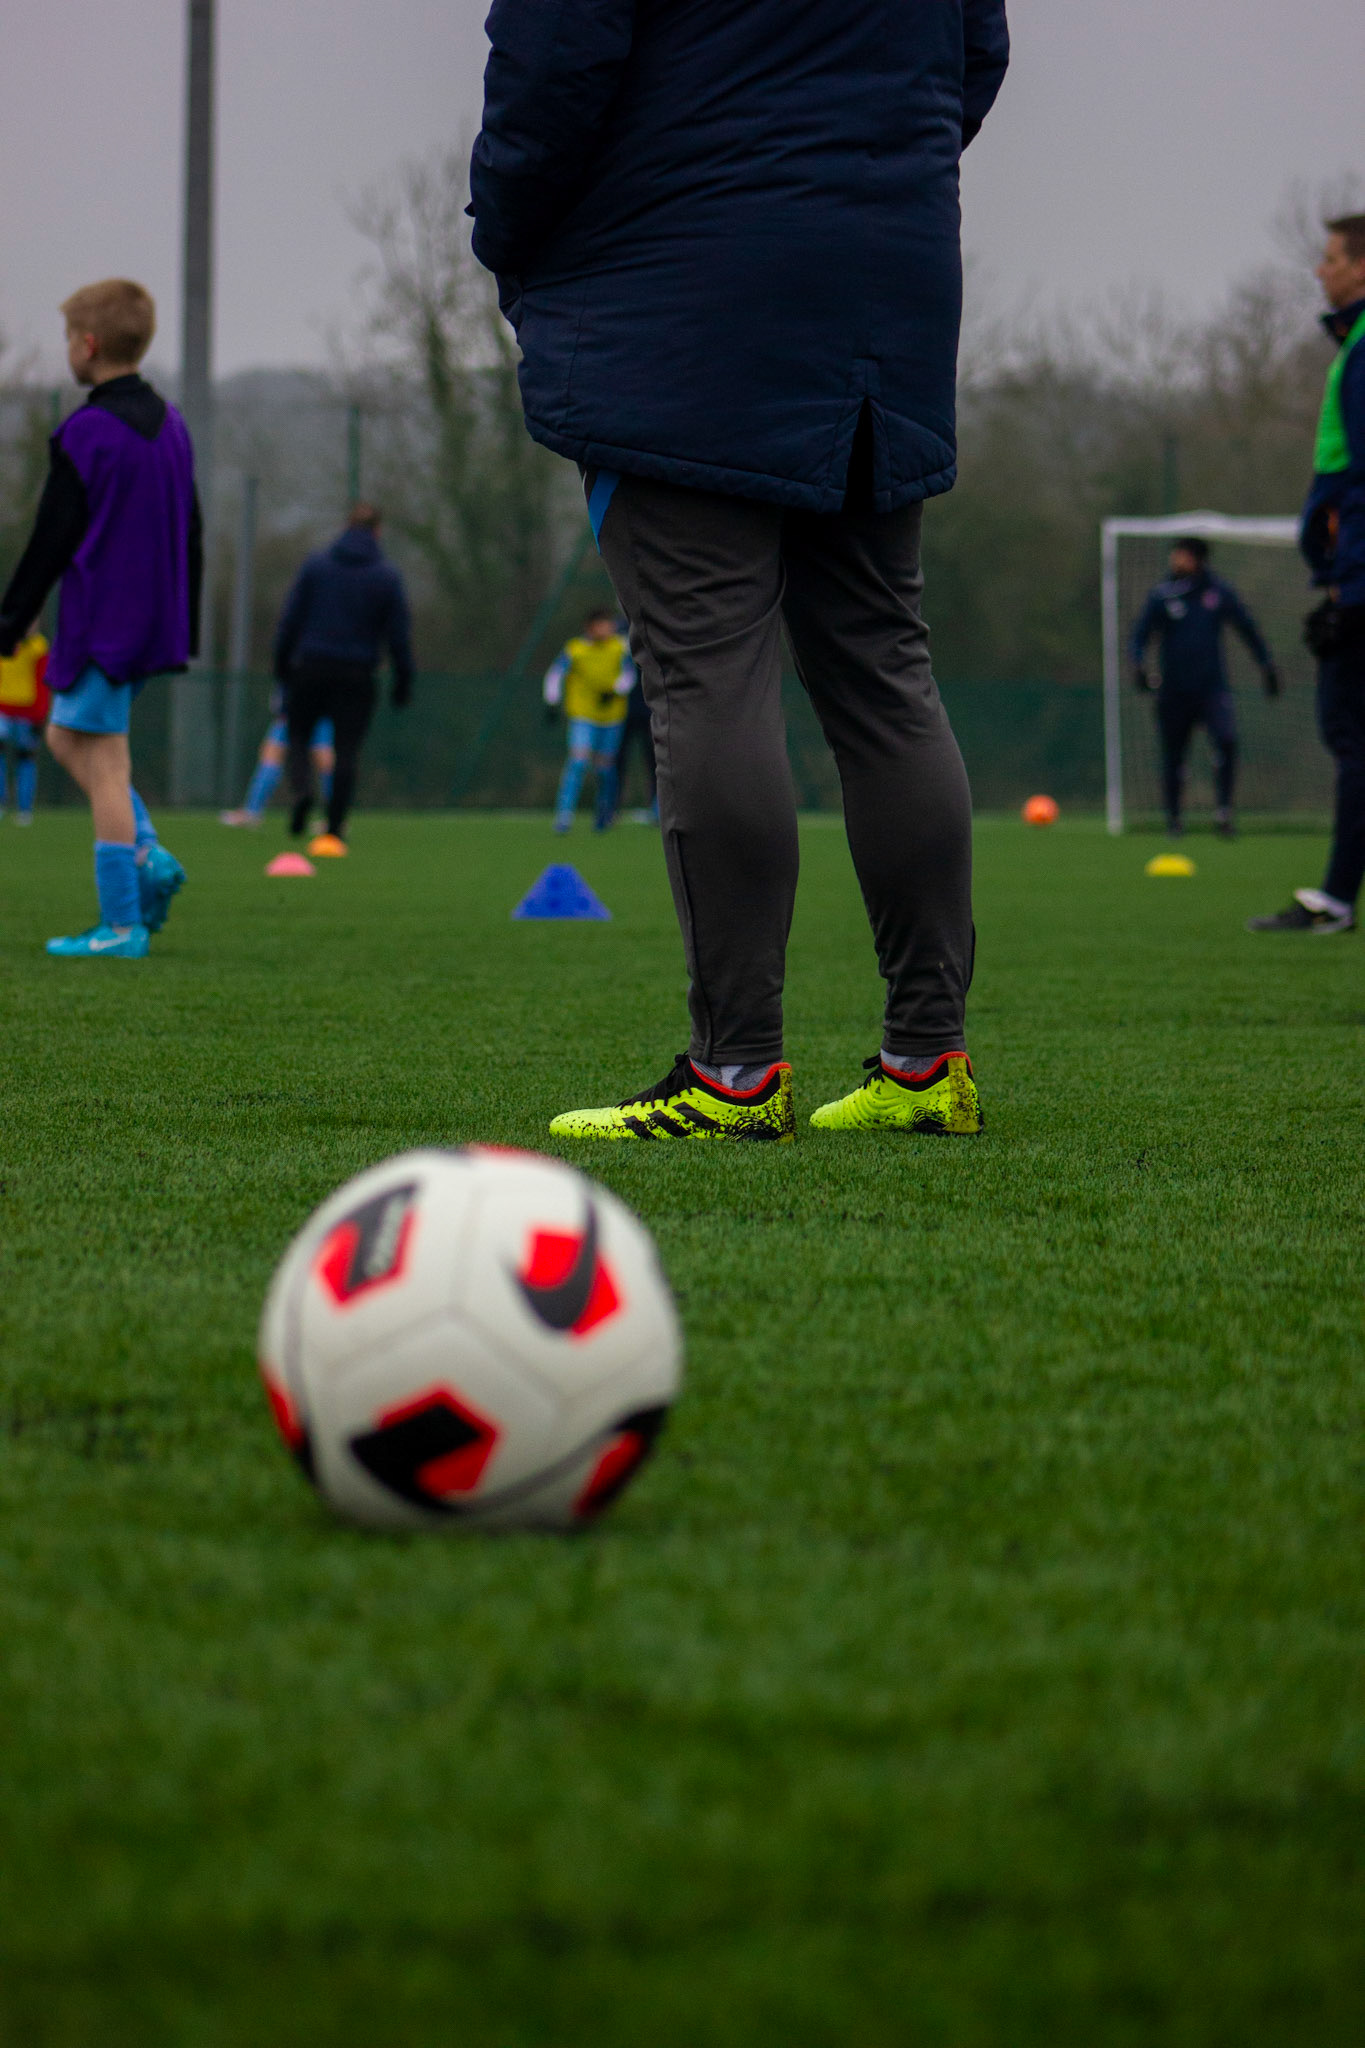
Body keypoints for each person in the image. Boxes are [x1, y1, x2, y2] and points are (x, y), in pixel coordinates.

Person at [471, 0, 1009, 1141]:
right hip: (885, 283)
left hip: (677, 284)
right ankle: (928, 1060)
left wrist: (514, 239)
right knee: (883, 675)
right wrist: (857, 175)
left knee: (707, 673)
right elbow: (976, 56)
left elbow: (551, 66)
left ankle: (735, 1074)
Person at [0, 279, 196, 957]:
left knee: (105, 763)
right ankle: (146, 856)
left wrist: (10, 619)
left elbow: (52, 538)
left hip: (102, 624)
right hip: (152, 623)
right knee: (65, 739)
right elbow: (191, 532)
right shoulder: (172, 425)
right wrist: (184, 623)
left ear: (87, 346)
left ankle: (122, 921)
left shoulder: (85, 431)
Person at [1249, 214, 1365, 936]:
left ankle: (1334, 899)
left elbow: (1357, 480)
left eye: (1329, 259)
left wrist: (1347, 586)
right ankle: (1334, 896)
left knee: (1347, 732)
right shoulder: (1350, 346)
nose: (1319, 271)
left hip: (1358, 583)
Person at [272, 503, 413, 856]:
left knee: (299, 735)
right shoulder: (386, 575)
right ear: (378, 532)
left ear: (344, 527)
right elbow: (398, 635)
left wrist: (281, 667)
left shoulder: (315, 566)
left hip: (310, 665)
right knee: (346, 750)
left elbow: (289, 620)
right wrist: (402, 680)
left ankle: (303, 791)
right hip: (358, 672)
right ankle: (334, 827)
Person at [1130, 537, 1279, 838]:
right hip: (1173, 691)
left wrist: (1266, 665)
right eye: (1175, 554)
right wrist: (1138, 665)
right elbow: (1139, 637)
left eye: (1183, 555)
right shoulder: (1162, 595)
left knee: (1226, 741)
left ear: (1198, 559)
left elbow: (1247, 628)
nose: (1176, 560)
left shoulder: (1218, 592)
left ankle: (1223, 812)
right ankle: (1173, 819)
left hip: (1212, 689)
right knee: (1173, 754)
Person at [542, 608, 633, 832]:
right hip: (582, 714)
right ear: (590, 627)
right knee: (578, 761)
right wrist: (552, 701)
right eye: (603, 624)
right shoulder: (575, 649)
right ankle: (564, 817)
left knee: (604, 768)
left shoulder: (620, 647)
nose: (608, 628)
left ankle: (604, 814)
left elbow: (629, 675)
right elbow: (555, 674)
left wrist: (615, 691)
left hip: (611, 717)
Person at [221, 692, 335, 827]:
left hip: (297, 708)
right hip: (316, 709)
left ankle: (252, 811)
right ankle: (335, 817)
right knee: (322, 758)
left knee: (276, 755)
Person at [0, 624, 51, 825]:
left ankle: (24, 809)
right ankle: (1, 804)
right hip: (3, 708)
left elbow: (43, 682)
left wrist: (40, 715)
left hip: (28, 713)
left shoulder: (39, 647)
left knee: (26, 758)